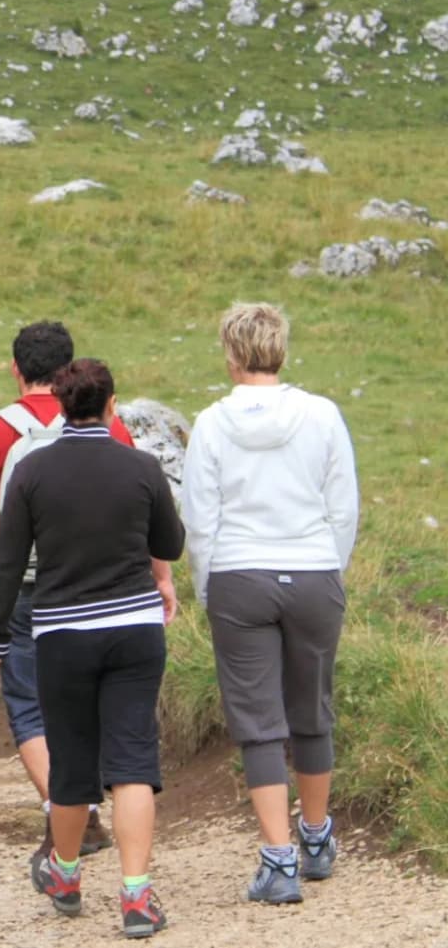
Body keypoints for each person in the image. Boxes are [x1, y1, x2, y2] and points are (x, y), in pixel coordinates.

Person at [0, 322, 177, 860]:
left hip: (29, 592)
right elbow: (141, 509)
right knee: (111, 716)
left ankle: (71, 811)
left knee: (30, 708)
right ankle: (126, 868)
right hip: (113, 590)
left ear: (16, 370)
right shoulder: (112, 431)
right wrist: (160, 577)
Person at [0, 358, 184, 940]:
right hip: (134, 630)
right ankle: (137, 898)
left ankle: (66, 876)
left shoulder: (34, 472)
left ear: (64, 407)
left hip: (62, 634)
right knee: (134, 762)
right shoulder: (142, 466)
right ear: (112, 405)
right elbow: (169, 541)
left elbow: (9, 563)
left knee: (71, 760)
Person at [181, 303, 357, 906]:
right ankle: (315, 837)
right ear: (281, 350)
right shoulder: (323, 415)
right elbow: (344, 507)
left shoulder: (211, 422)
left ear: (231, 356)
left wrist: (208, 586)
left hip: (238, 573)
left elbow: (199, 519)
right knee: (312, 707)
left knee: (257, 720)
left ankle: (277, 861)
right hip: (313, 569)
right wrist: (328, 568)